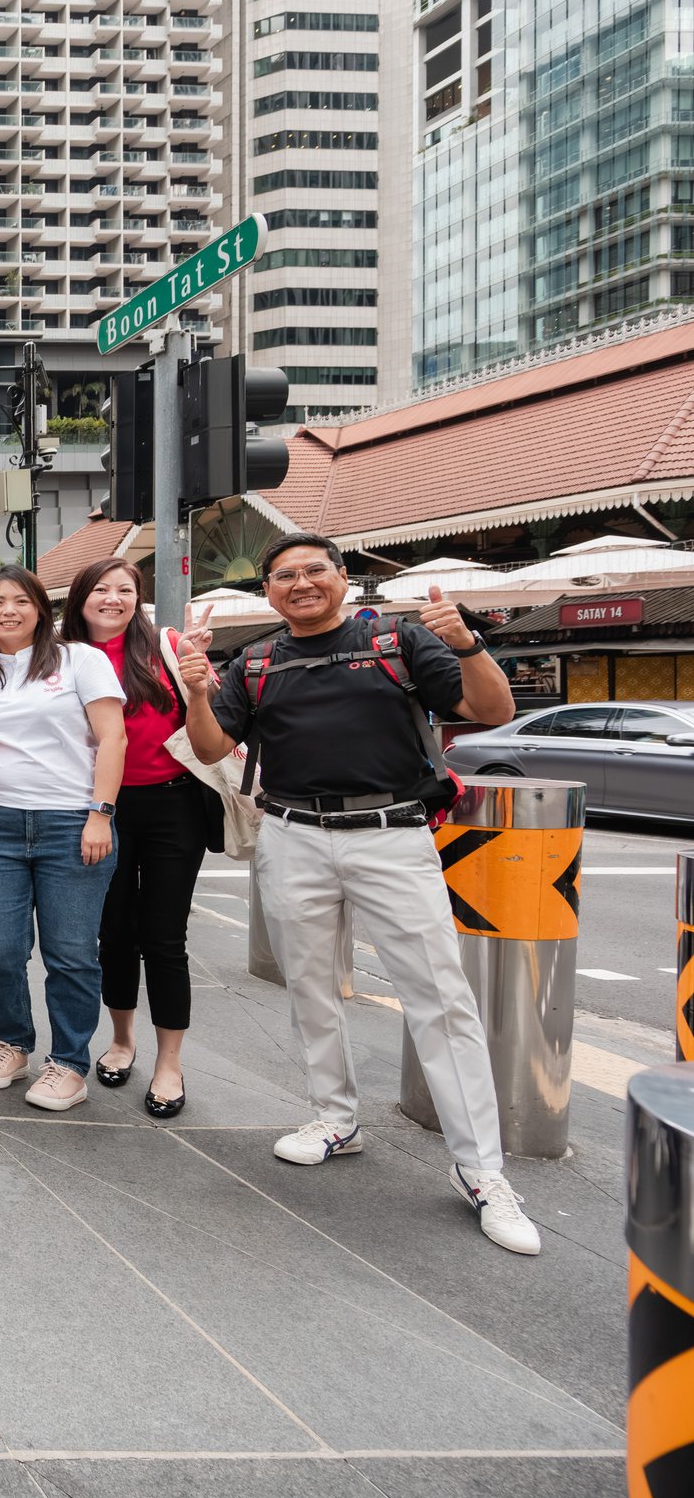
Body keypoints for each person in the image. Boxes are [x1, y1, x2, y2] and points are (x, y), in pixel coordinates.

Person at [177, 535, 541, 1256]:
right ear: (268, 590)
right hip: (291, 834)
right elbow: (214, 748)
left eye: (315, 570)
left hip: (392, 833)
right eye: (284, 575)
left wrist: (467, 643)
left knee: (440, 997)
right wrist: (196, 690)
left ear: (344, 578)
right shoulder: (257, 661)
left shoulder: (398, 640)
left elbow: (491, 707)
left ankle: (482, 1170)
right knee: (310, 986)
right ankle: (335, 1119)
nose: (301, 583)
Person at [0, 564, 125, 1112]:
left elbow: (113, 738)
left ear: (41, 609)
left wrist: (101, 813)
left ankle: (68, 1062)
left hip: (71, 823)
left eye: (21, 601)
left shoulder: (79, 660)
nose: (9, 611)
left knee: (70, 953)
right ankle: (13, 1043)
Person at [63, 557, 206, 1118]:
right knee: (114, 934)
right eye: (101, 589)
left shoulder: (165, 647)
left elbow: (209, 723)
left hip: (173, 805)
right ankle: (122, 1040)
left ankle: (170, 1062)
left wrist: (200, 682)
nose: (113, 599)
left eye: (125, 589)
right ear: (80, 598)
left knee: (165, 938)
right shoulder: (60, 655)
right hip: (97, 809)